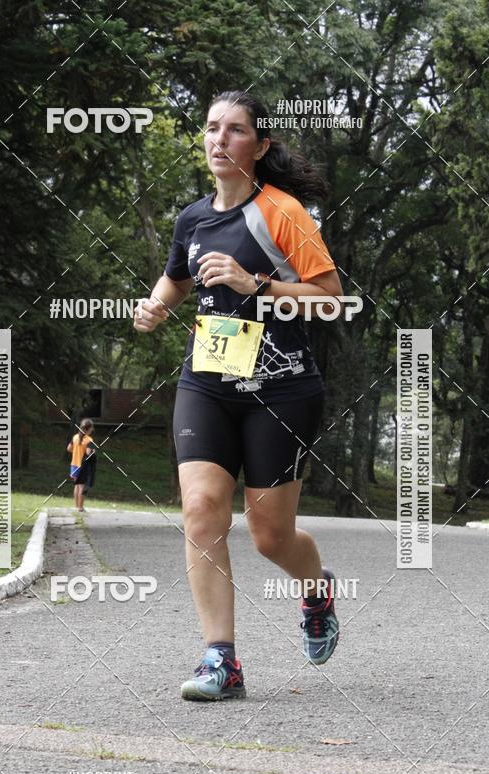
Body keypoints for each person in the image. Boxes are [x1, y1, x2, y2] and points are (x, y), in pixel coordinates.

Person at [134, 90, 343, 701]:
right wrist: (154, 307)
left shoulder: (282, 212)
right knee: (201, 508)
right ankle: (220, 661)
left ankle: (316, 589)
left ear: (261, 144)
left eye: (234, 130)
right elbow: (175, 278)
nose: (219, 139)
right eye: (210, 128)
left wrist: (258, 284)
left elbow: (329, 296)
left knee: (270, 535)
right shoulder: (192, 217)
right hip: (208, 378)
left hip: (281, 387)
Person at [67, 418, 96, 513]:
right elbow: (88, 453)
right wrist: (93, 452)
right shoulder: (89, 440)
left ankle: (76, 506)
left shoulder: (75, 437)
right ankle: (80, 507)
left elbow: (69, 449)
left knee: (76, 486)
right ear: (88, 429)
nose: (92, 430)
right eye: (91, 428)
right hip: (83, 466)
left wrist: (77, 452)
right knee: (82, 487)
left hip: (74, 465)